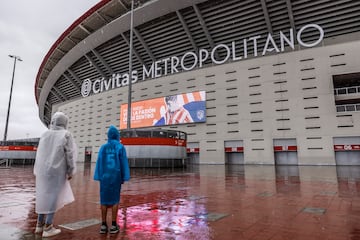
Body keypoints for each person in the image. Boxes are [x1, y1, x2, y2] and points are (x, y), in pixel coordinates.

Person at [33, 112, 77, 238]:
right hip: (57, 171)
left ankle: (39, 225)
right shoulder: (66, 135)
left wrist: (37, 170)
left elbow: (39, 154)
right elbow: (69, 154)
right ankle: (48, 226)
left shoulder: (45, 134)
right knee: (53, 198)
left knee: (43, 195)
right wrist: (70, 171)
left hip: (42, 171)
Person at [94, 125, 130, 234]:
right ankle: (114, 225)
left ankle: (103, 225)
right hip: (116, 176)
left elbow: (99, 162)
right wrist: (124, 177)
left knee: (103, 201)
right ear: (117, 135)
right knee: (115, 200)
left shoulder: (103, 148)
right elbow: (123, 163)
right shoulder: (120, 147)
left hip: (104, 177)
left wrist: (99, 176)